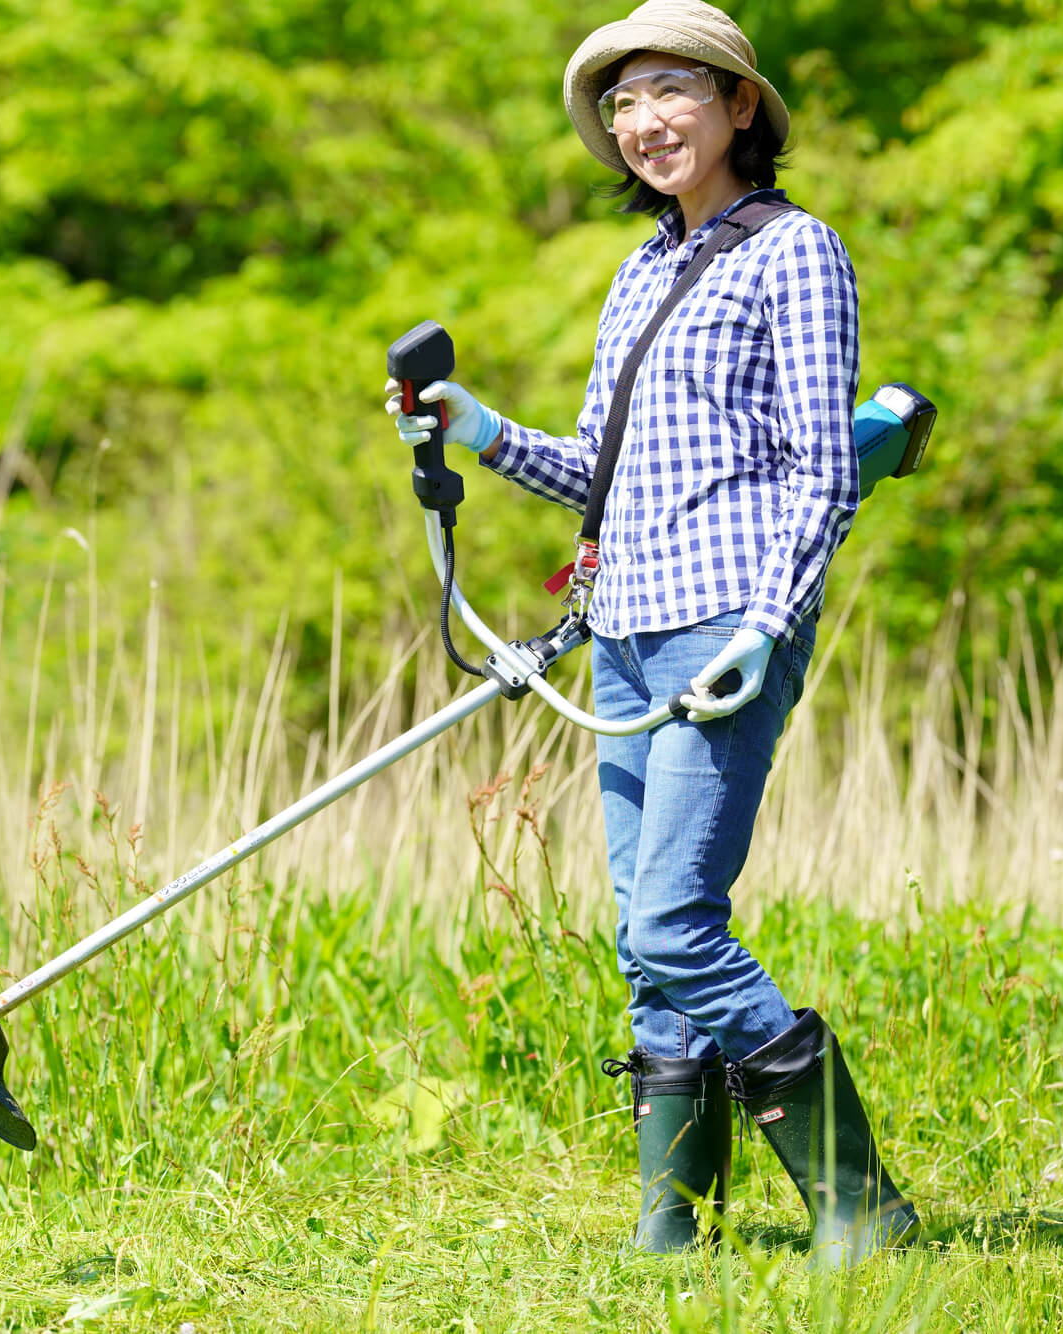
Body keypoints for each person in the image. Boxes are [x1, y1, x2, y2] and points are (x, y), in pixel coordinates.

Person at [385, 0, 918, 1267]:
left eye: (671, 90)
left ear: (741, 107)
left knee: (673, 921)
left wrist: (767, 624)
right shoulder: (638, 272)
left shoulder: (797, 252)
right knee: (644, 939)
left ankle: (861, 1202)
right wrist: (478, 430)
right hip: (621, 630)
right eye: (620, 103)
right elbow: (606, 477)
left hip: (723, 632)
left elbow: (818, 474)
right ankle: (674, 1219)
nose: (642, 121)